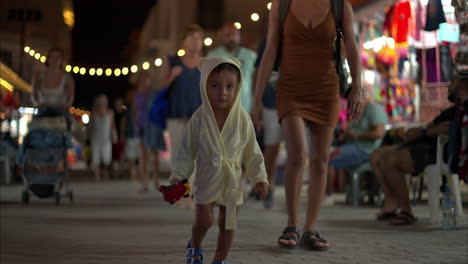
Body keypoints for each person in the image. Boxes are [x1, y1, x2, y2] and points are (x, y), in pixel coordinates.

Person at [252, 0, 364, 250]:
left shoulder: (339, 5)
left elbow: (352, 47)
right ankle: (292, 224)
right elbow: (271, 49)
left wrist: (358, 87)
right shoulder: (281, 5)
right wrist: (257, 98)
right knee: (298, 154)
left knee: (320, 159)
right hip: (290, 88)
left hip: (326, 88)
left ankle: (310, 228)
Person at [170, 57, 268, 264]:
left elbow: (252, 151)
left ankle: (219, 259)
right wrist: (179, 176)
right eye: (214, 86)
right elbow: (186, 150)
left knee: (228, 224)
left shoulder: (242, 118)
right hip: (207, 176)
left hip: (232, 180)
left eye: (229, 86)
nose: (222, 92)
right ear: (204, 86)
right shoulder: (199, 118)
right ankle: (195, 245)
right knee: (204, 221)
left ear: (238, 87)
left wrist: (259, 178)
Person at [370, 75, 466, 225]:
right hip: (426, 143)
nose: (448, 85)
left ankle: (406, 210)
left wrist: (423, 132)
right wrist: (420, 130)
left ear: (463, 85)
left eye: (453, 82)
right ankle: (391, 202)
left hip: (439, 151)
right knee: (377, 155)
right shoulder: (454, 108)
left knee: (390, 160)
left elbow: (452, 127)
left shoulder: (463, 109)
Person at [326, 87, 387, 203]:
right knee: (324, 154)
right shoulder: (360, 110)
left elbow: (379, 133)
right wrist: (346, 135)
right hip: (354, 146)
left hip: (365, 150)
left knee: (328, 158)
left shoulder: (373, 109)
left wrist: (354, 135)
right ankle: (329, 192)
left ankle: (328, 195)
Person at [159, 24, 203, 159]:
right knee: (178, 156)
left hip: (198, 116)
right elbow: (161, 86)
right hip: (176, 115)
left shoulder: (205, 64)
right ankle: (180, 181)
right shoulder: (173, 61)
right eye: (192, 38)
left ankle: (195, 181)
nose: (196, 41)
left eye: (199, 38)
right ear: (184, 41)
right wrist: (172, 76)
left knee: (196, 156)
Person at [253, 38, 282, 209]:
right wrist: (257, 100)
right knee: (272, 147)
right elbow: (258, 71)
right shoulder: (268, 40)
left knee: (296, 151)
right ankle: (267, 184)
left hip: (295, 102)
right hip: (271, 102)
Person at [207, 23, 257, 113]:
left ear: (239, 36)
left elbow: (257, 80)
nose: (231, 38)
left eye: (234, 34)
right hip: (220, 111)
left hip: (245, 108)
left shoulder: (251, 55)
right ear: (221, 37)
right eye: (227, 35)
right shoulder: (212, 56)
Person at [133, 73, 166, 192]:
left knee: (155, 155)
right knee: (143, 156)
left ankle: (156, 180)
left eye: (146, 80)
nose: (144, 83)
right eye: (142, 81)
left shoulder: (154, 93)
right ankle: (145, 183)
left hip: (153, 126)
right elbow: (135, 111)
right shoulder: (137, 95)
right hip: (141, 126)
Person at [32, 47, 75, 130]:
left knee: (68, 130)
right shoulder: (38, 76)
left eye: (58, 57)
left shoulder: (68, 78)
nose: (55, 60)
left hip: (60, 112)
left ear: (61, 60)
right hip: (43, 111)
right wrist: (38, 104)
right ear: (48, 59)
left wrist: (64, 106)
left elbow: (70, 98)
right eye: (52, 57)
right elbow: (34, 95)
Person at [88, 94, 117, 181]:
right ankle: (97, 175)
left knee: (106, 158)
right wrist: (87, 136)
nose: (103, 103)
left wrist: (114, 135)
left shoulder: (110, 112)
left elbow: (112, 126)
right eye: (101, 101)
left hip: (106, 139)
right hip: (96, 138)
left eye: (104, 101)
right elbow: (90, 126)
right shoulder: (93, 112)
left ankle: (105, 172)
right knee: (96, 158)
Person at [112, 97, 127, 177]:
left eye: (119, 103)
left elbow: (123, 126)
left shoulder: (123, 114)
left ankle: (121, 172)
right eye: (117, 103)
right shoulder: (112, 113)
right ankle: (115, 173)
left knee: (121, 155)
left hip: (121, 137)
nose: (118, 105)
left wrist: (122, 136)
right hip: (114, 136)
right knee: (114, 156)